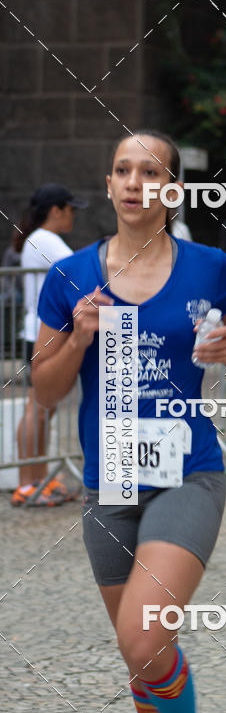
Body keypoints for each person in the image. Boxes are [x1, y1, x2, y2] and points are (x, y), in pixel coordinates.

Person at [31, 130, 226, 713]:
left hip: (187, 472)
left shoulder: (209, 266)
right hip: (113, 480)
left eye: (150, 170)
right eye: (124, 170)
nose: (136, 182)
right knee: (142, 656)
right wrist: (77, 339)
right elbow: (44, 388)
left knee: (145, 632)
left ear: (172, 190)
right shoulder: (69, 278)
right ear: (108, 186)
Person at [12, 184, 88, 507]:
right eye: (70, 209)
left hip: (45, 330)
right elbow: (80, 273)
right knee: (38, 407)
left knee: (44, 408)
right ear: (56, 210)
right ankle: (28, 483)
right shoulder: (45, 239)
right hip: (45, 332)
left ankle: (37, 479)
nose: (73, 215)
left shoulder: (40, 239)